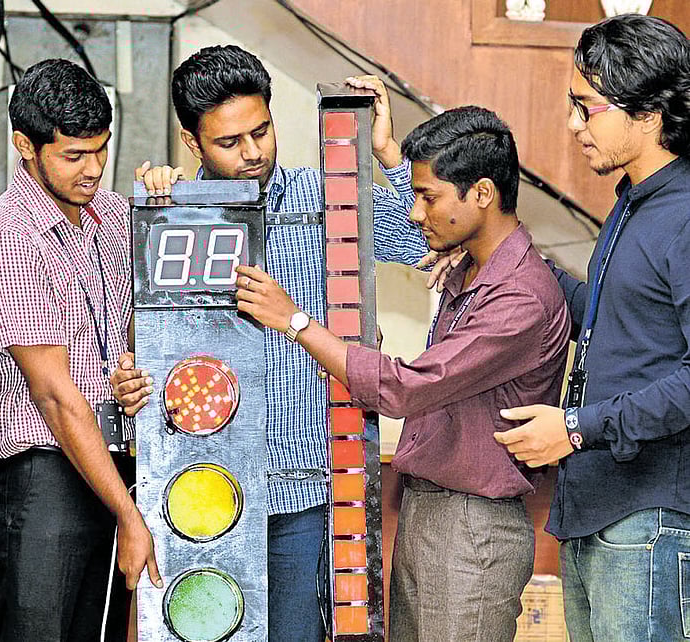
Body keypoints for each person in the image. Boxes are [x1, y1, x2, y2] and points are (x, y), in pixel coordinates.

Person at [111, 44, 427, 641]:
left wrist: (389, 152)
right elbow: (146, 343)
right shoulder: (173, 211)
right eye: (230, 142)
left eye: (261, 131)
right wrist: (132, 380)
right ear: (192, 141)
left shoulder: (322, 199)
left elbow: (421, 241)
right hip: (198, 495)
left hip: (301, 491)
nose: (253, 152)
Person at [234, 106, 570, 641]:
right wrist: (391, 154)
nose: (415, 213)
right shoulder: (470, 269)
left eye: (428, 198)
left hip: (472, 530)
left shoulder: (519, 297)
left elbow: (406, 387)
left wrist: (295, 321)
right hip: (427, 514)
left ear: (482, 193)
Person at [487, 15, 690, 642]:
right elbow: (607, 317)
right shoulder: (634, 200)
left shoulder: (683, 214)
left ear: (648, 114)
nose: (574, 124)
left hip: (648, 519)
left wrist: (576, 427)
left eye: (587, 107)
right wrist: (500, 258)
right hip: (597, 511)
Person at [0, 59, 161, 642]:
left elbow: (146, 322)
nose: (94, 169)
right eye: (75, 155)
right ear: (25, 146)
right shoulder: (10, 236)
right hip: (43, 479)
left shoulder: (113, 215)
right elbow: (54, 395)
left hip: (111, 465)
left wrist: (168, 198)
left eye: (101, 150)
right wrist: (129, 515)